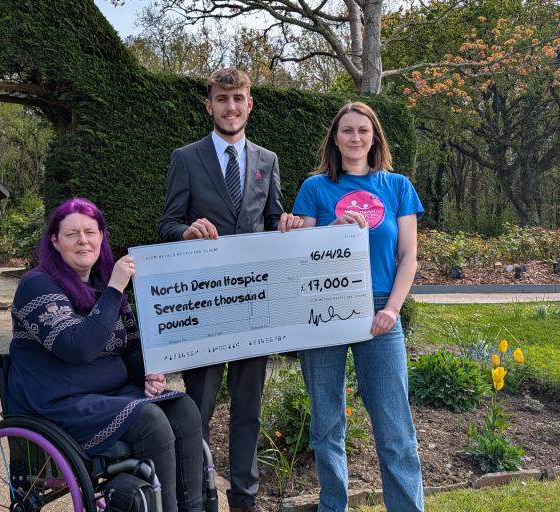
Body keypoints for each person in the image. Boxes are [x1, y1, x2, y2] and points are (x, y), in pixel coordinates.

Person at [158, 67, 303, 512]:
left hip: (254, 307)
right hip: (203, 308)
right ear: (210, 106)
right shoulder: (186, 158)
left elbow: (273, 220)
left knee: (248, 411)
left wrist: (289, 225)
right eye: (223, 99)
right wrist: (185, 232)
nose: (231, 107)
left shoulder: (267, 160)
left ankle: (245, 499)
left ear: (250, 104)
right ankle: (200, 498)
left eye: (238, 98)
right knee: (195, 413)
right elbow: (166, 224)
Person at [7, 197, 204, 512]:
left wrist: (149, 372)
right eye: (72, 234)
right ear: (55, 241)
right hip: (59, 401)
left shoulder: (101, 285)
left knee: (183, 408)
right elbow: (79, 347)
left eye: (90, 231)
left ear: (101, 236)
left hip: (108, 395)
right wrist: (115, 290)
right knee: (150, 420)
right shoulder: (37, 285)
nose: (83, 240)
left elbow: (132, 348)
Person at [293, 101, 425, 512]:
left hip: (381, 311)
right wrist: (330, 231)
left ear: (374, 137)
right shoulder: (314, 188)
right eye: (346, 130)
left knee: (394, 426)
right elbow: (299, 257)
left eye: (362, 131)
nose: (355, 138)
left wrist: (393, 310)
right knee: (327, 423)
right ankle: (334, 506)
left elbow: (409, 257)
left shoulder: (398, 186)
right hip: (324, 309)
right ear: (335, 138)